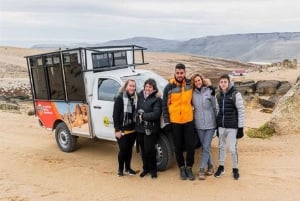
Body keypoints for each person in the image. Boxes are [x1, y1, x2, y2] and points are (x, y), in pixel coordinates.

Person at [162, 63, 195, 180]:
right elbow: (164, 106)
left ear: (185, 73)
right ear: (174, 73)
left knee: (191, 145)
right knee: (178, 146)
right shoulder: (169, 87)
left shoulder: (191, 84)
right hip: (175, 121)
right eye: (178, 73)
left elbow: (202, 84)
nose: (180, 75)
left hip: (188, 120)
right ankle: (181, 167)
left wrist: (210, 87)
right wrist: (167, 122)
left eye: (182, 73)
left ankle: (189, 168)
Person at [214, 74, 245, 180]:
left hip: (232, 126)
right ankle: (221, 167)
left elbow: (241, 111)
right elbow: (217, 111)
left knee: (232, 149)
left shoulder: (235, 94)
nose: (223, 84)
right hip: (221, 126)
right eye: (221, 82)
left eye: (225, 82)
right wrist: (217, 126)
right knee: (221, 147)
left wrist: (240, 128)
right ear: (219, 83)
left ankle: (235, 169)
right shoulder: (218, 95)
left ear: (229, 82)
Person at [191, 73, 217, 180]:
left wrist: (218, 122)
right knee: (205, 147)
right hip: (199, 125)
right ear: (194, 83)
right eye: (196, 81)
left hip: (211, 124)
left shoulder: (209, 91)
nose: (198, 82)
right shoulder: (192, 94)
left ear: (202, 80)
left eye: (199, 80)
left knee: (206, 146)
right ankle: (210, 166)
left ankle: (201, 169)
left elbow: (216, 107)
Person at [136, 79, 162, 179]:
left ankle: (153, 170)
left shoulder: (157, 99)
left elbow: (156, 114)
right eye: (146, 86)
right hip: (140, 128)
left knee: (150, 150)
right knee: (143, 150)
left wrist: (143, 116)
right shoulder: (139, 96)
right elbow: (135, 109)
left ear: (154, 88)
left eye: (150, 87)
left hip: (150, 129)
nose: (148, 88)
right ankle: (145, 169)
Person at [113, 79, 138, 177]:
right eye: (130, 85)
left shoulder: (136, 98)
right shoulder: (120, 98)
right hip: (122, 130)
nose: (132, 88)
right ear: (126, 86)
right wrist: (117, 130)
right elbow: (115, 115)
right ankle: (120, 169)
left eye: (134, 86)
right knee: (123, 150)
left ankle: (128, 168)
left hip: (132, 129)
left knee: (129, 150)